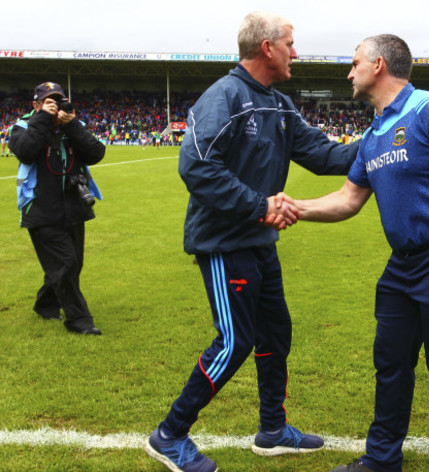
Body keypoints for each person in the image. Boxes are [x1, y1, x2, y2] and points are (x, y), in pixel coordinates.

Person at [269, 34, 429, 472]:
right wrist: (294, 207)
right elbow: (349, 199)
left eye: (354, 64)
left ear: (379, 65)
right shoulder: (373, 134)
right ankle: (382, 460)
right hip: (402, 266)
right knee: (390, 361)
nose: (348, 73)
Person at [143, 11, 359, 472]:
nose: (295, 53)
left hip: (259, 244)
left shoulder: (278, 104)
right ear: (266, 47)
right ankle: (169, 435)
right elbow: (197, 168)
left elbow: (324, 155)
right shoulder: (223, 97)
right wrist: (261, 206)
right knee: (235, 340)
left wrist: (384, 137)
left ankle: (272, 430)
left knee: (275, 334)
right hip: (224, 244)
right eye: (290, 44)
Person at [10, 82, 105, 335]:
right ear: (36, 105)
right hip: (40, 209)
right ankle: (79, 320)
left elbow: (96, 153)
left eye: (58, 101)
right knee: (65, 264)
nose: (55, 106)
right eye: (48, 102)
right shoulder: (23, 127)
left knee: (73, 264)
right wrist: (43, 119)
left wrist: (71, 123)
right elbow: (25, 152)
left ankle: (46, 303)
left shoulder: (73, 127)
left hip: (74, 206)